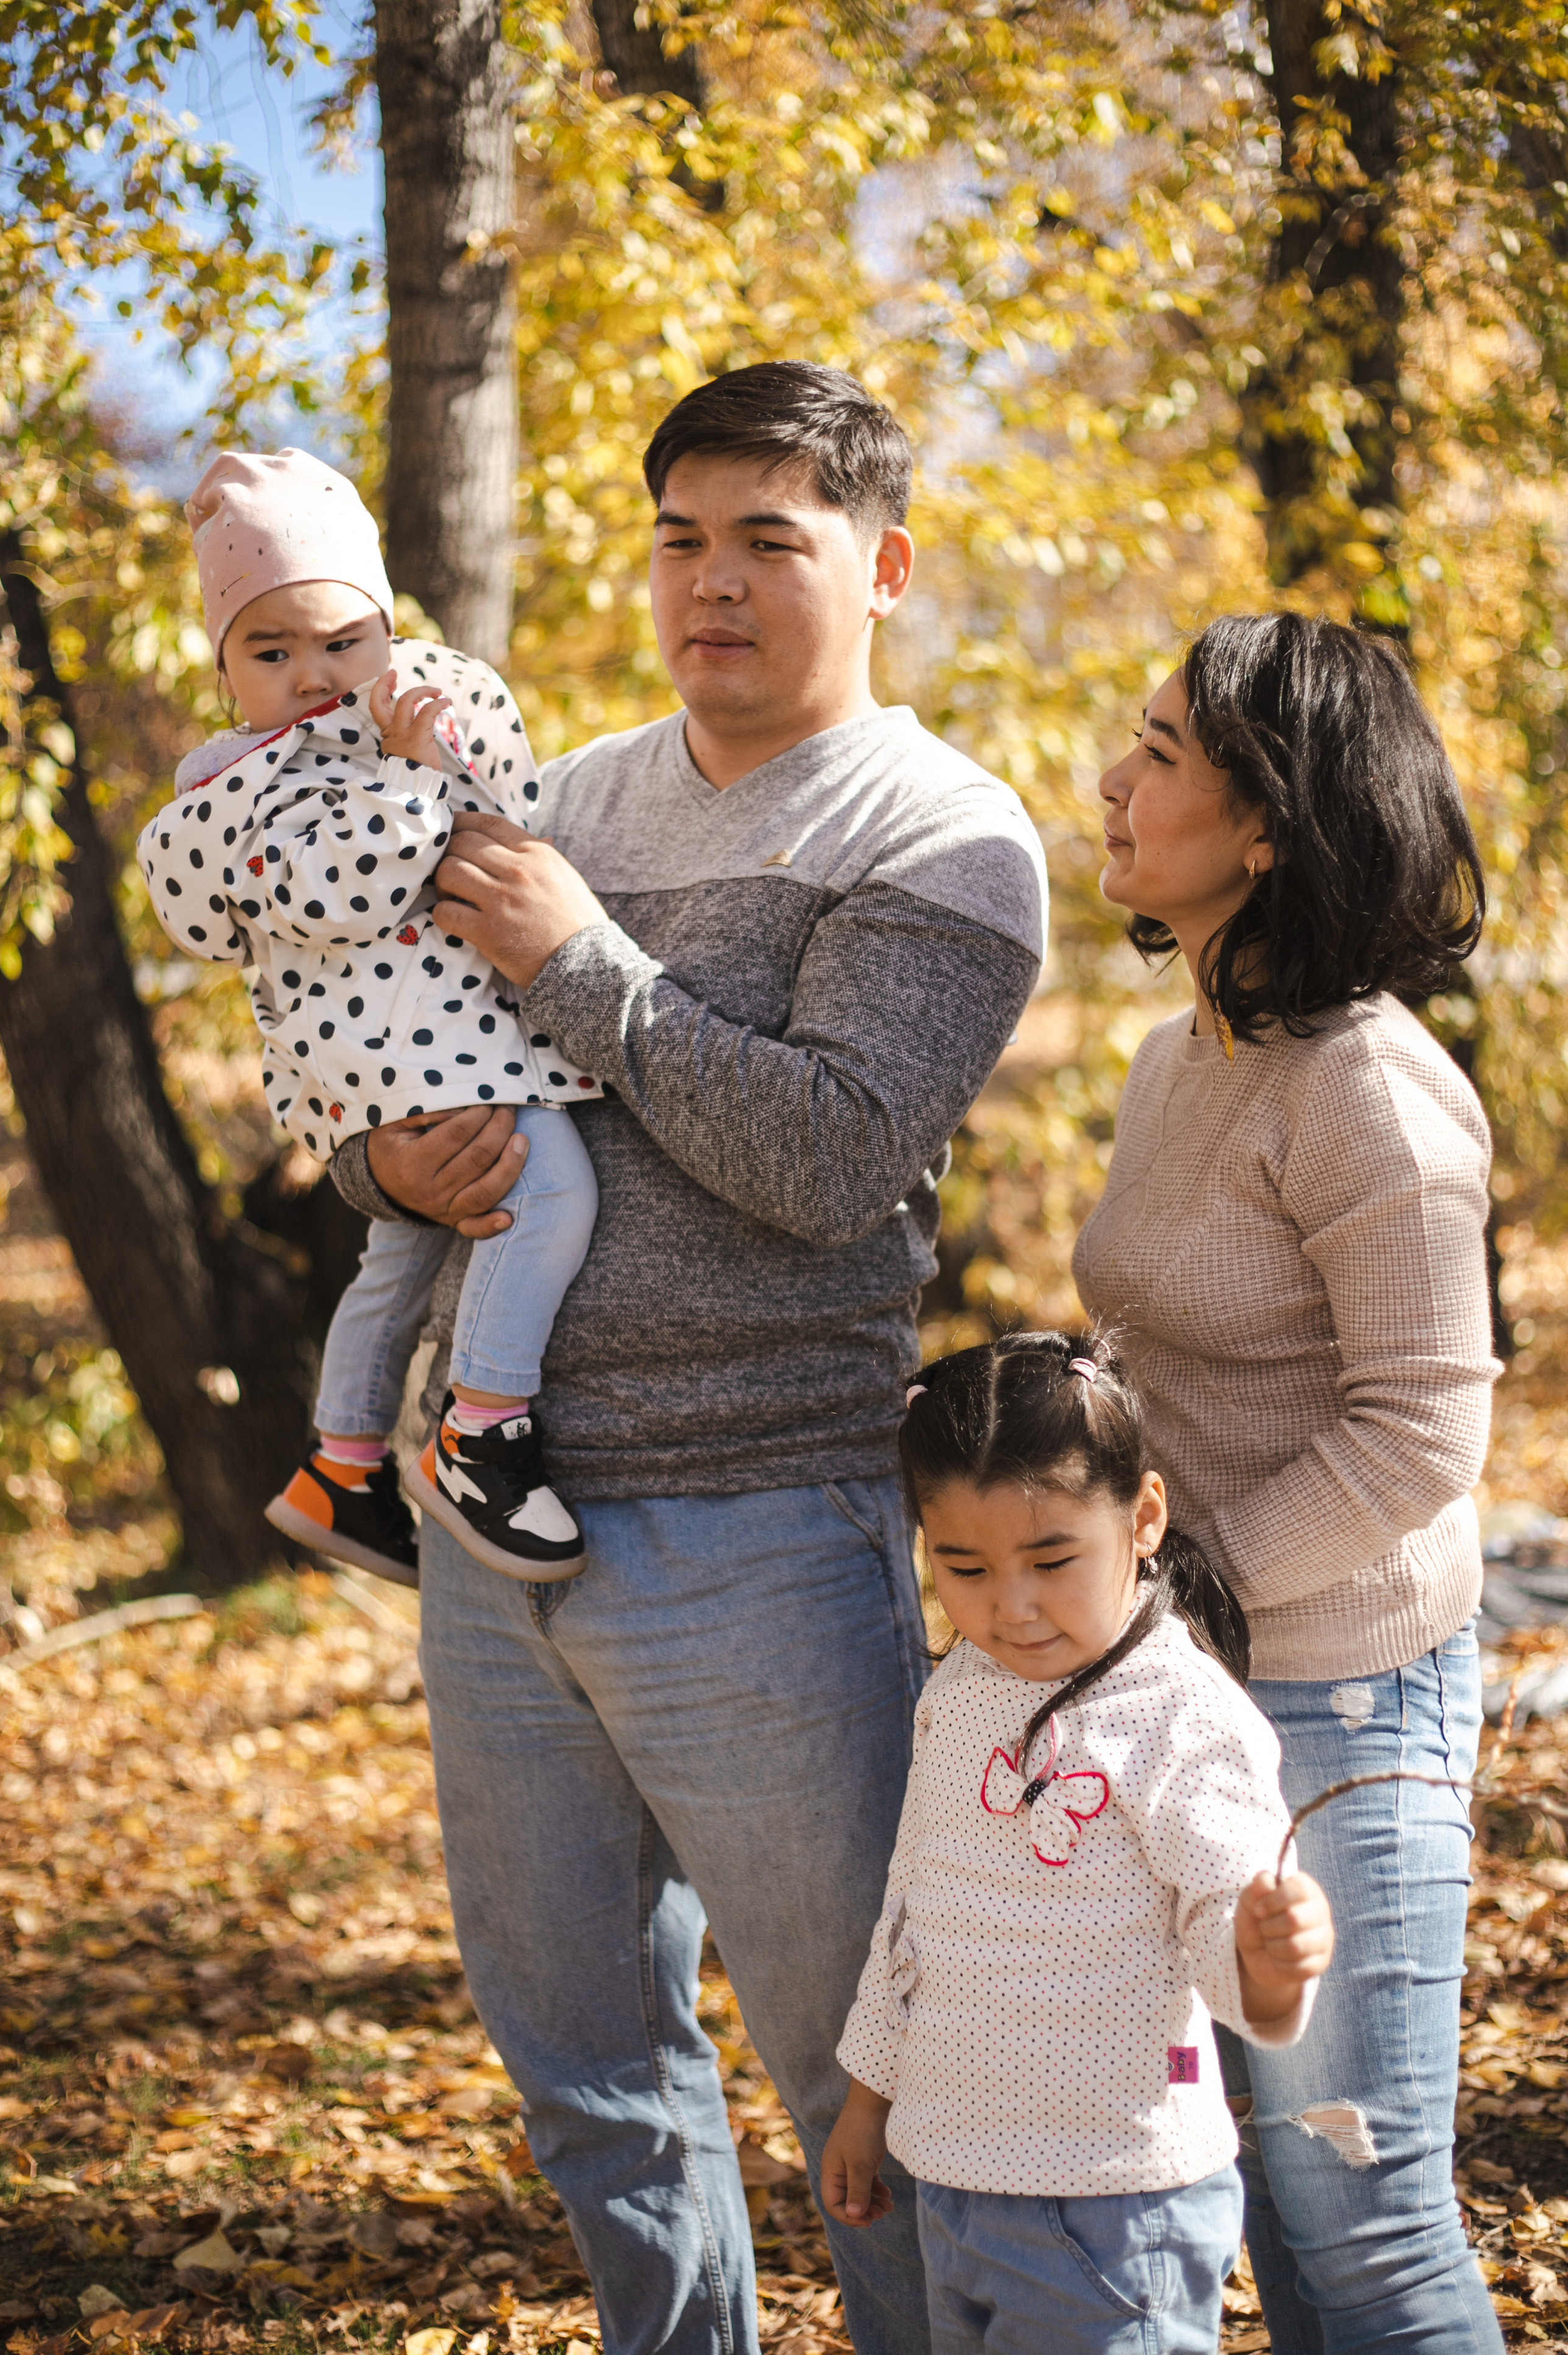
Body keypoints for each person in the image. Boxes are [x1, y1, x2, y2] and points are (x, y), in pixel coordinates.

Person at [328, 362, 1050, 2354]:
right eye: (679, 539)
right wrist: (390, 1160)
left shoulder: (949, 835)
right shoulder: (562, 794)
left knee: (868, 2094)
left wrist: (578, 960)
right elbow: (384, 1067)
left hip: (760, 1544)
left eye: (767, 541)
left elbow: (828, 1160)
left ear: (884, 566)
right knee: (591, 2076)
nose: (707, 583)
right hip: (500, 1541)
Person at [1073, 611, 1500, 2353]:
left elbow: (1421, 1431)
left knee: (1365, 2219)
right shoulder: (1187, 1054)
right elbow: (1171, 1340)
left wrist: (1185, 1584)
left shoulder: (1376, 1096)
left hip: (1345, 1699)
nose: (1115, 776)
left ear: (1266, 826)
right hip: (1203, 1690)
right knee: (1272, 2213)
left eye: (1162, 751)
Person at [820, 1331, 1335, 2355]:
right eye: (962, 1566)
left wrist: (1271, 1965)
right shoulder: (961, 1692)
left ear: (1143, 1517)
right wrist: (867, 2103)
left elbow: (1228, 1948)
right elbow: (912, 1916)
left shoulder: (1182, 1718)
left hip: (1112, 2202)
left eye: (1052, 1559)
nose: (1009, 1607)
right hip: (954, 2183)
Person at [138, 448, 599, 1586]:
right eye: (271, 650)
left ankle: (343, 1466)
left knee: (396, 1258)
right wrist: (402, 775)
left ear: (387, 630)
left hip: (425, 1045)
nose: (313, 675)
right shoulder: (241, 788)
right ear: (224, 666)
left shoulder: (405, 718)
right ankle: (481, 1432)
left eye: (343, 642)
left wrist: (434, 751)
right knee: (549, 1192)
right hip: (407, 1048)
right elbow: (349, 890)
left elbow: (511, 818)